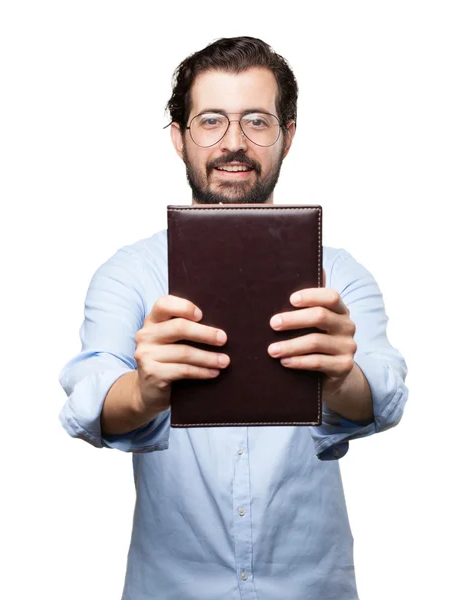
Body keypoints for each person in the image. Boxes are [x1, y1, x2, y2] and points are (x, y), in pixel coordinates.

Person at [59, 36, 408, 600]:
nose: (234, 144)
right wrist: (147, 390)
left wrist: (341, 378)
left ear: (287, 137)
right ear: (179, 137)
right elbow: (90, 401)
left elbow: (385, 396)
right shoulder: (129, 274)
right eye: (211, 121)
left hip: (311, 588)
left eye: (257, 122)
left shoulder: (338, 275)